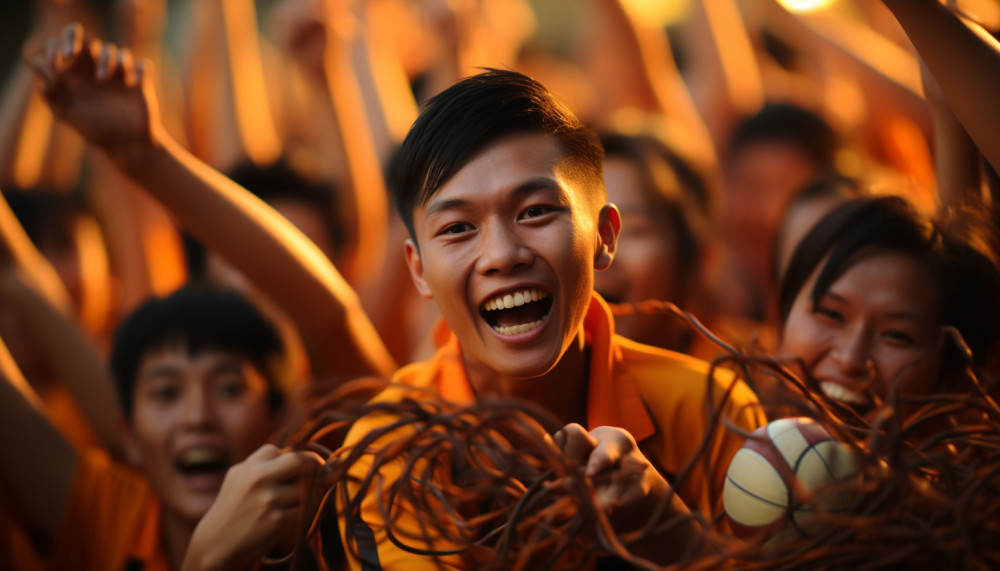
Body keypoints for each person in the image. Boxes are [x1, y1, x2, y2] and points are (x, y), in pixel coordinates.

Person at [336, 69, 764, 569]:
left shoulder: (709, 409)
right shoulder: (393, 447)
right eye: (457, 228)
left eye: (535, 212)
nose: (502, 255)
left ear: (604, 235)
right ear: (418, 269)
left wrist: (670, 535)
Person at [0, 285, 320, 570]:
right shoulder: (110, 523)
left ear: (280, 422)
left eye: (229, 389)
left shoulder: (324, 541)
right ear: (129, 437)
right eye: (167, 392)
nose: (198, 417)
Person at [775, 195, 1000, 412]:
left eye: (895, 335)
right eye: (832, 314)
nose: (849, 360)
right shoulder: (740, 418)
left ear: (954, 374)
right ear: (786, 309)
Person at [593, 132, 716, 357]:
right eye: (584, 229)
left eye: (633, 230)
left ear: (695, 257)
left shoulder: (743, 379)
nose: (600, 251)